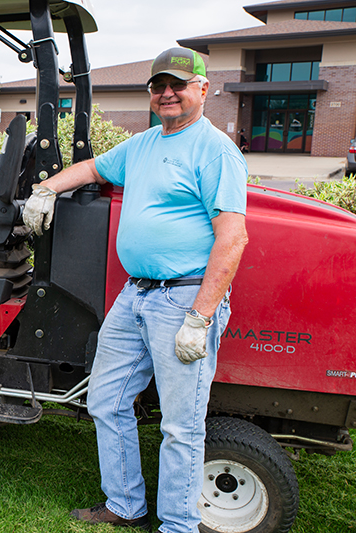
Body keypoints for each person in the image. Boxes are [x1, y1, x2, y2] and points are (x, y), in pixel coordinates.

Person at [23, 47, 249, 533]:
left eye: (178, 85)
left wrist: (201, 316)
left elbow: (233, 237)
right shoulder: (145, 144)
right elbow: (92, 170)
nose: (167, 93)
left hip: (184, 301)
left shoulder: (214, 150)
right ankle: (125, 505)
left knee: (181, 426)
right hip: (137, 295)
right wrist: (47, 190)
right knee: (106, 400)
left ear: (202, 90)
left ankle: (178, 525)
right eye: (158, 85)